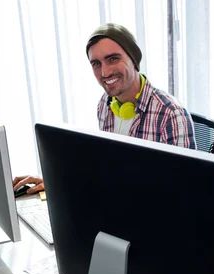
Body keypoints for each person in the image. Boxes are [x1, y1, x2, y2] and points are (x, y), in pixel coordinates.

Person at [14, 23, 195, 194]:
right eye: (96, 64)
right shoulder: (105, 104)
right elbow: (107, 170)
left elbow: (184, 190)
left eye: (113, 59)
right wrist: (57, 181)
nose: (105, 73)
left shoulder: (171, 114)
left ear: (133, 59)